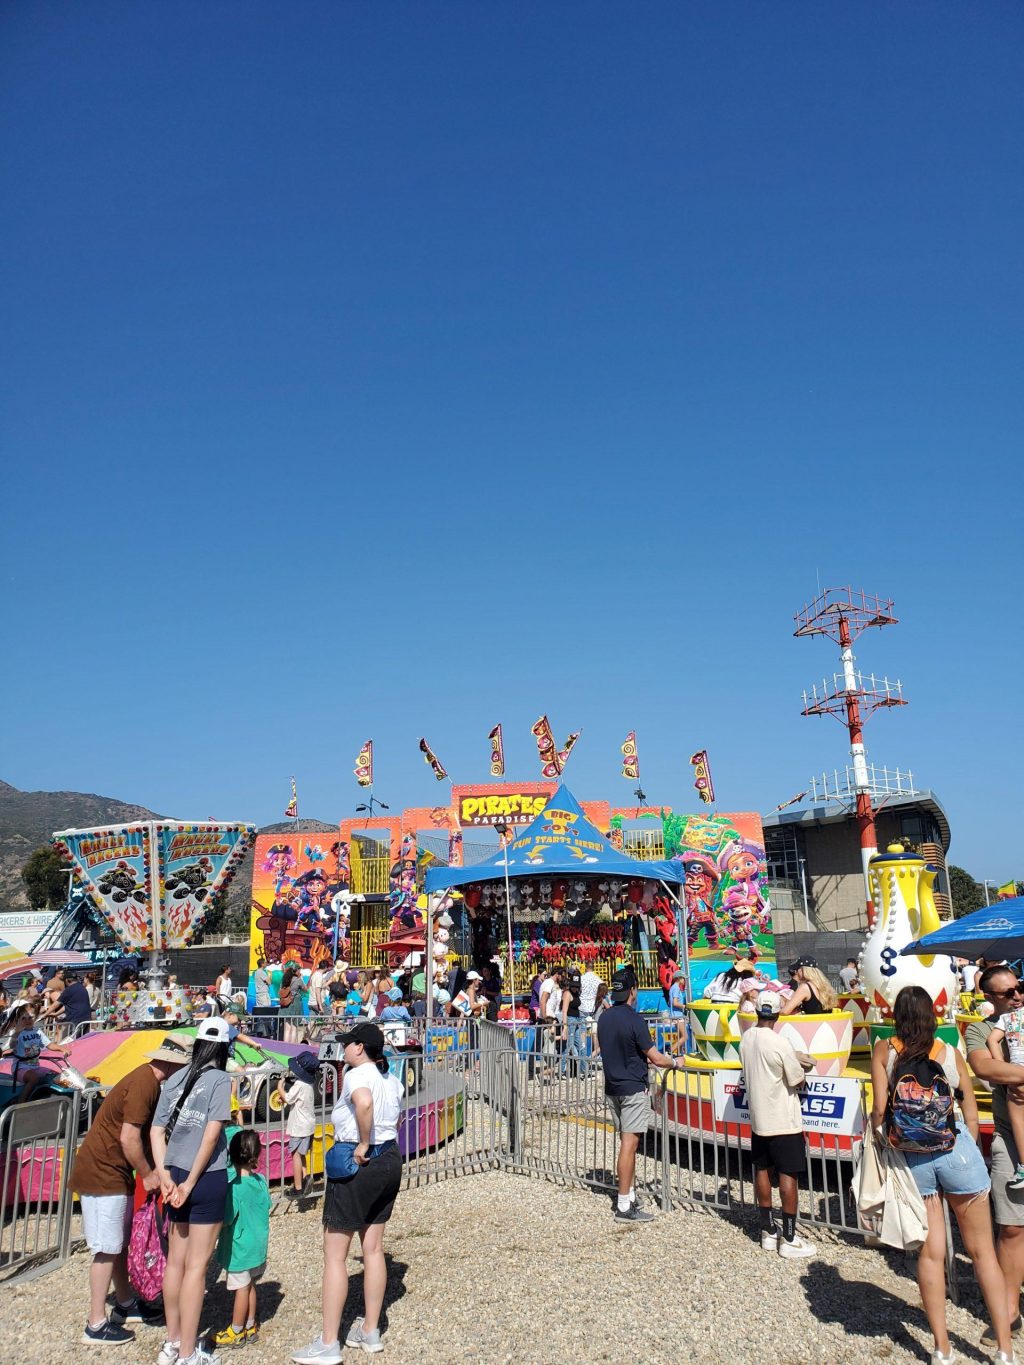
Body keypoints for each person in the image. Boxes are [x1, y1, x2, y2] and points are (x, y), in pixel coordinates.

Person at [876, 984, 1012, 1363]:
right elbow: (969, 1112)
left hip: (913, 1157)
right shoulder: (949, 1052)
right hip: (958, 1154)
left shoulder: (885, 1050)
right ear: (932, 1016)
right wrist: (970, 1150)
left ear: (897, 1016)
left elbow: (878, 1109)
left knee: (931, 1255)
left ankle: (941, 1348)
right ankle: (1004, 1349)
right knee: (983, 1252)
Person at [70, 1034, 193, 1345]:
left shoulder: (145, 1080)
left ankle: (124, 1304)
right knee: (106, 1248)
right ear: (172, 1062)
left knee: (118, 1244)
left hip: (113, 1172)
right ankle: (95, 1323)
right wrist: (149, 1174)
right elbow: (128, 1138)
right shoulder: (145, 1084)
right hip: (103, 1173)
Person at [293, 1022, 403, 1363]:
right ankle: (370, 1330)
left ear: (360, 1047)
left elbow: (364, 1103)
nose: (343, 1049)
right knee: (373, 1248)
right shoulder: (393, 1079)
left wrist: (364, 1141)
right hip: (389, 1159)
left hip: (359, 1157)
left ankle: (329, 1342)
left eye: (348, 1043)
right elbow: (393, 1116)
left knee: (335, 1254)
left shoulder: (357, 1076)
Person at [151, 1017, 234, 1365]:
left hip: (174, 1171)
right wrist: (189, 1182)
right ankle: (188, 1353)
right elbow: (212, 1135)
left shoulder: (175, 1077)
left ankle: (172, 1342)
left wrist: (165, 1174)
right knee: (197, 1267)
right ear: (225, 1047)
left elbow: (156, 1131)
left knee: (176, 1263)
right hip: (205, 1175)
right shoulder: (219, 1079)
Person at [596, 968, 684, 1224]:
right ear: (633, 991)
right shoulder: (635, 1020)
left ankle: (629, 1194)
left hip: (612, 1086)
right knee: (629, 1145)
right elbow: (655, 1057)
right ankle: (624, 1204)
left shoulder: (605, 1018)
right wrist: (676, 1063)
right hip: (632, 1087)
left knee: (627, 1144)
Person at [966, 965, 1024, 1341]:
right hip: (1009, 1136)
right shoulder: (980, 1030)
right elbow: (985, 1068)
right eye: (1007, 993)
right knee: (1013, 1225)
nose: (1017, 995)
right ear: (989, 997)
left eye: (1019, 987)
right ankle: (1010, 1308)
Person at [739, 991, 815, 1259]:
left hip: (759, 1119)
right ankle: (790, 1237)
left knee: (762, 1170)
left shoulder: (747, 1038)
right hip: (784, 1118)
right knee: (788, 1174)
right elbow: (796, 1079)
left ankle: (767, 1229)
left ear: (758, 1011)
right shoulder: (780, 1043)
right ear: (778, 1013)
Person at [213, 1129, 271, 1350]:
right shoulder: (261, 1180)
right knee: (251, 1285)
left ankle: (236, 1330)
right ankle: (250, 1324)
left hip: (241, 1247)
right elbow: (266, 1205)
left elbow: (227, 1219)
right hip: (258, 1246)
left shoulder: (233, 1188)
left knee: (241, 1289)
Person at [277, 1050, 319, 1198]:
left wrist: (280, 1088)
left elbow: (288, 1098)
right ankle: (306, 1178)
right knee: (302, 1154)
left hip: (299, 1126)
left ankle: (298, 1187)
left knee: (295, 1155)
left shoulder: (300, 1084)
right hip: (308, 1124)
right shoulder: (308, 1084)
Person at [559, 968, 589, 1080]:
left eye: (577, 986)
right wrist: (565, 1027)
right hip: (570, 1020)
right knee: (568, 1048)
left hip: (577, 1020)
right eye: (573, 986)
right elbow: (564, 1011)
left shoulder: (576, 993)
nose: (575, 988)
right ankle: (561, 1071)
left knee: (581, 1047)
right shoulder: (567, 993)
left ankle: (584, 1071)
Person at [279, 965, 307, 1044]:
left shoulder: (284, 979)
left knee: (287, 1027)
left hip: (285, 1003)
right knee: (294, 1027)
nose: (300, 972)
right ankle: (292, 1046)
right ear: (297, 971)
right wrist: (302, 979)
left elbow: (280, 990)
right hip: (295, 1003)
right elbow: (305, 990)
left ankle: (285, 1046)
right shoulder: (298, 980)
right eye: (299, 970)